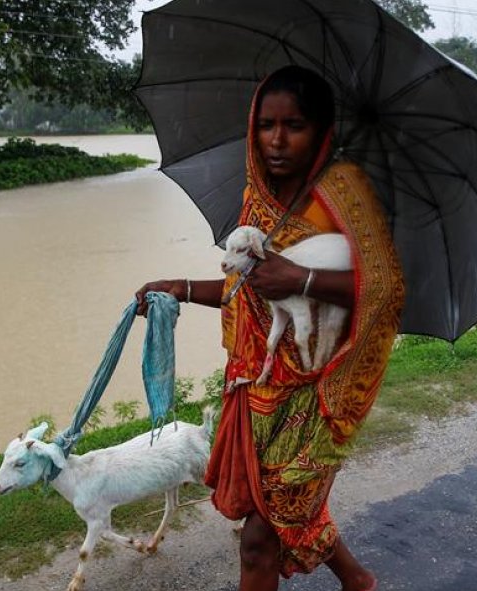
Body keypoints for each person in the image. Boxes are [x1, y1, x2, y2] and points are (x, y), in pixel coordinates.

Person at [135, 65, 404, 591]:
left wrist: (301, 276)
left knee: (261, 537)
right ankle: (357, 579)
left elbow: (388, 292)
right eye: (266, 124)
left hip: (328, 398)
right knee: (283, 509)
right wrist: (179, 288)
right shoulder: (256, 201)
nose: (276, 140)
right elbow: (248, 294)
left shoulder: (348, 194)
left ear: (321, 130)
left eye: (295, 125)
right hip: (258, 389)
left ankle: (355, 577)